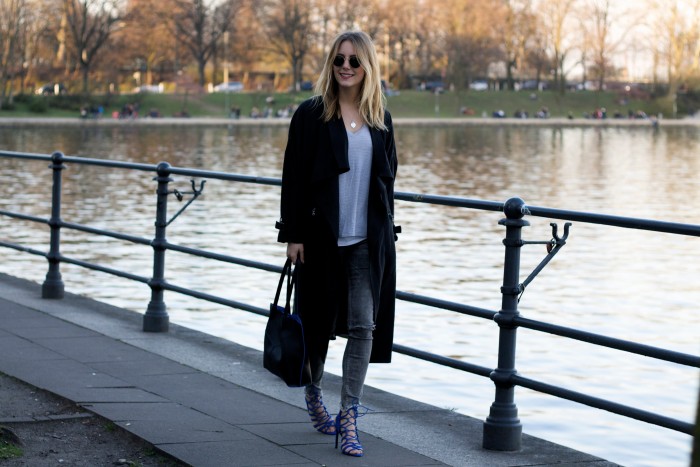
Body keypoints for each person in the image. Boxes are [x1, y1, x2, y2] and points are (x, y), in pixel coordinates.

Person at [276, 30, 399, 458]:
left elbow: (389, 180)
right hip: (320, 240)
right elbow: (292, 177)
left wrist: (388, 230)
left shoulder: (380, 119)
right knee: (318, 328)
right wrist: (292, 233)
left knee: (364, 326)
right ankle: (314, 394)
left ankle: (349, 417)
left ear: (368, 68)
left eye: (354, 61)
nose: (345, 67)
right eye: (339, 60)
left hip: (367, 242)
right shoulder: (311, 115)